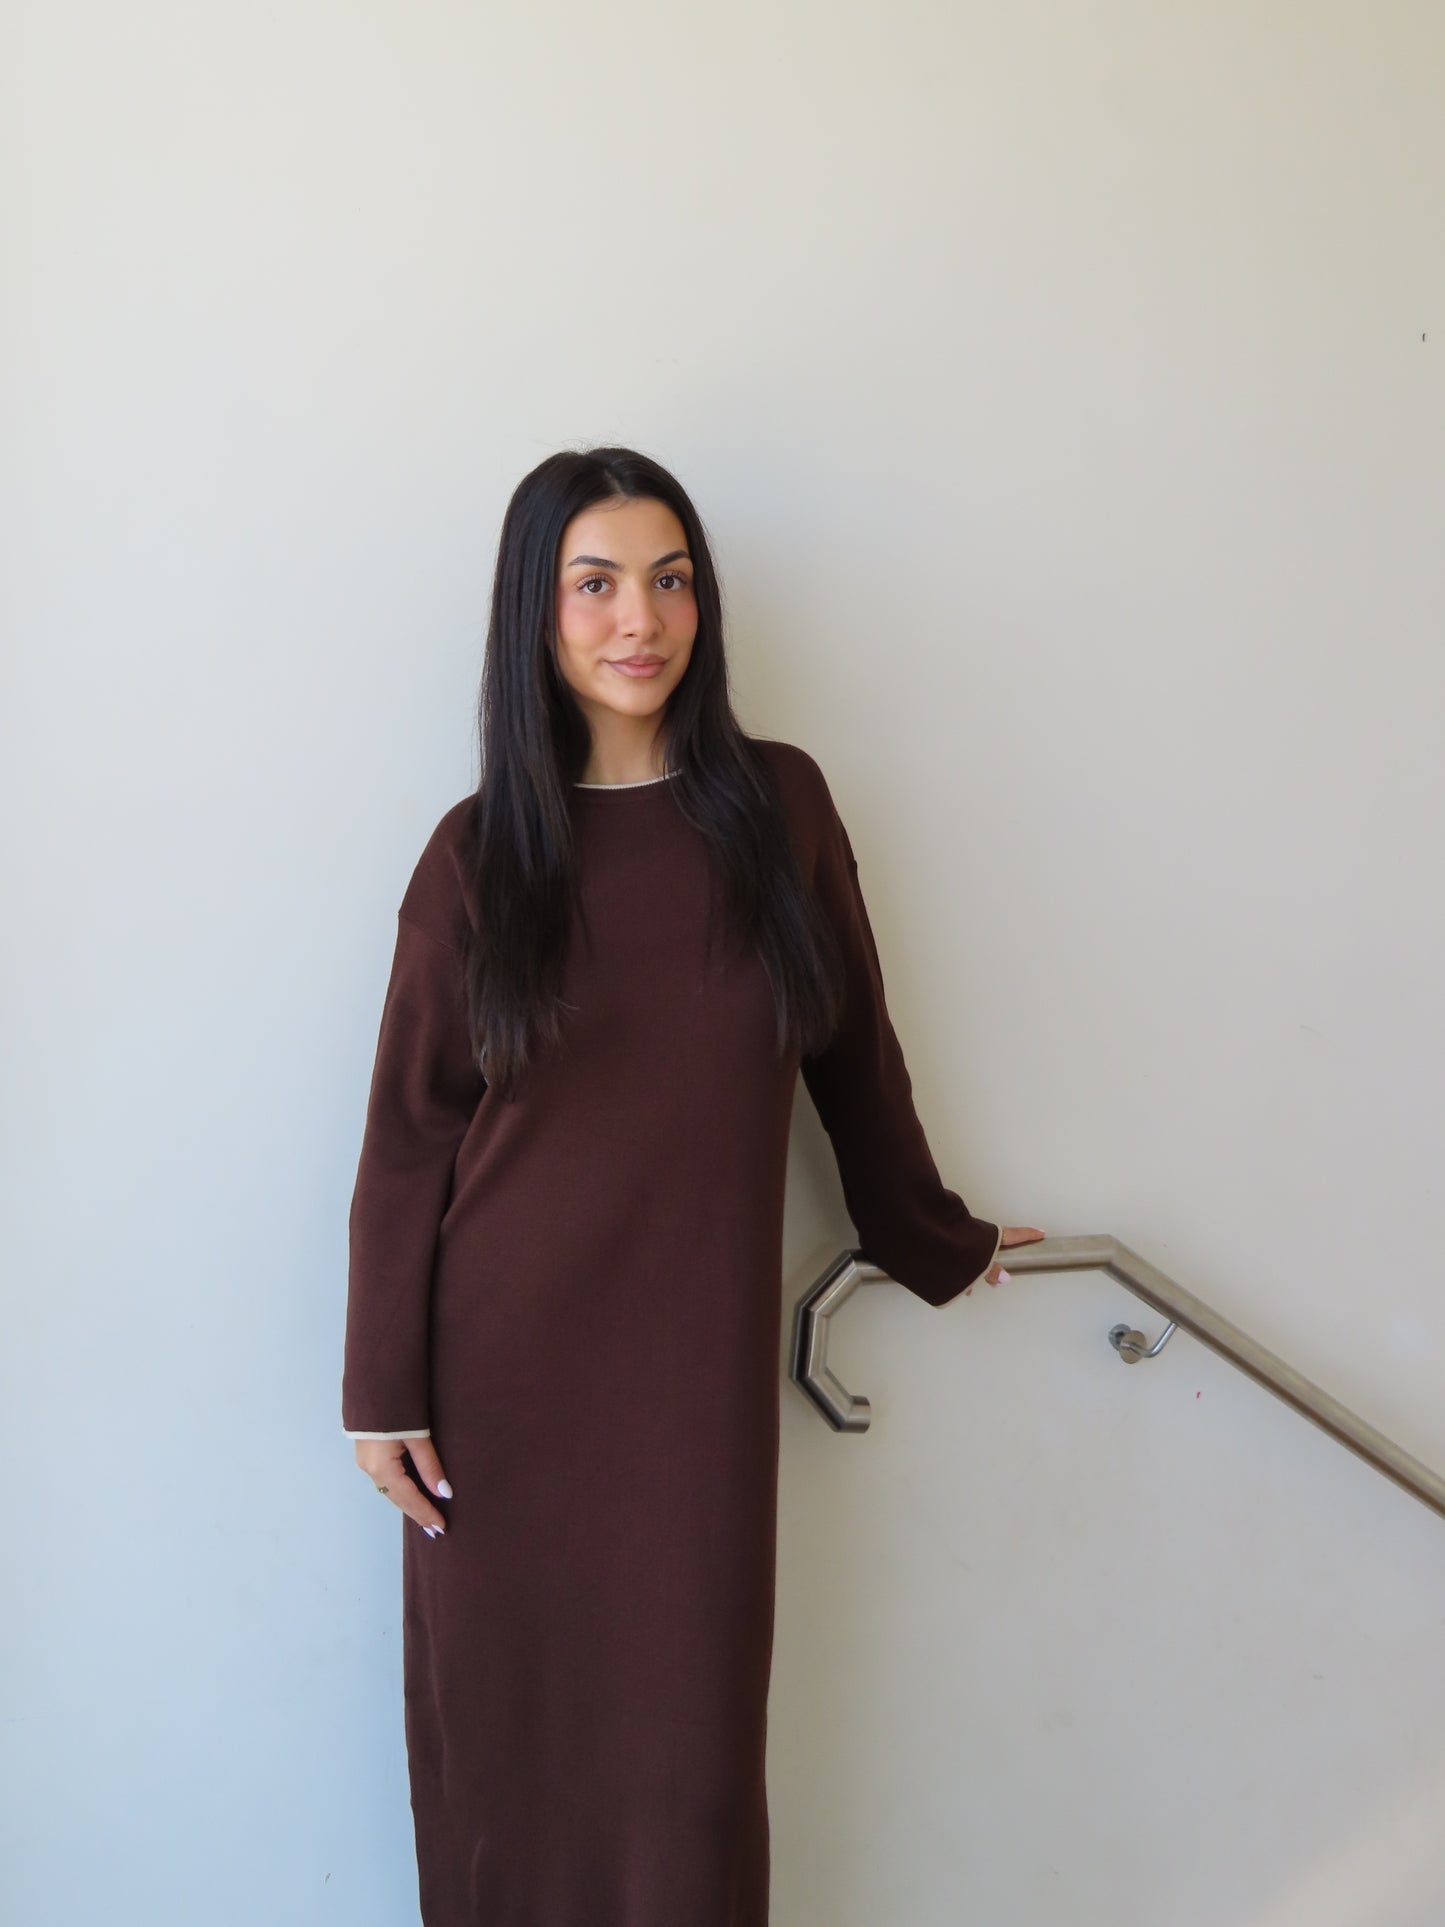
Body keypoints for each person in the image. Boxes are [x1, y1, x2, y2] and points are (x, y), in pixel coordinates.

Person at [340, 444, 1046, 1924]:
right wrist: (380, 1392)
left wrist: (931, 1235)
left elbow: (852, 1049)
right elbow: (409, 1137)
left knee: (690, 1781)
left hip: (689, 1398)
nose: (639, 621)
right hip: (495, 1397)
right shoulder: (478, 857)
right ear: (535, 615)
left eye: (669, 581)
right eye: (594, 585)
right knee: (509, 1779)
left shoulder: (777, 809)